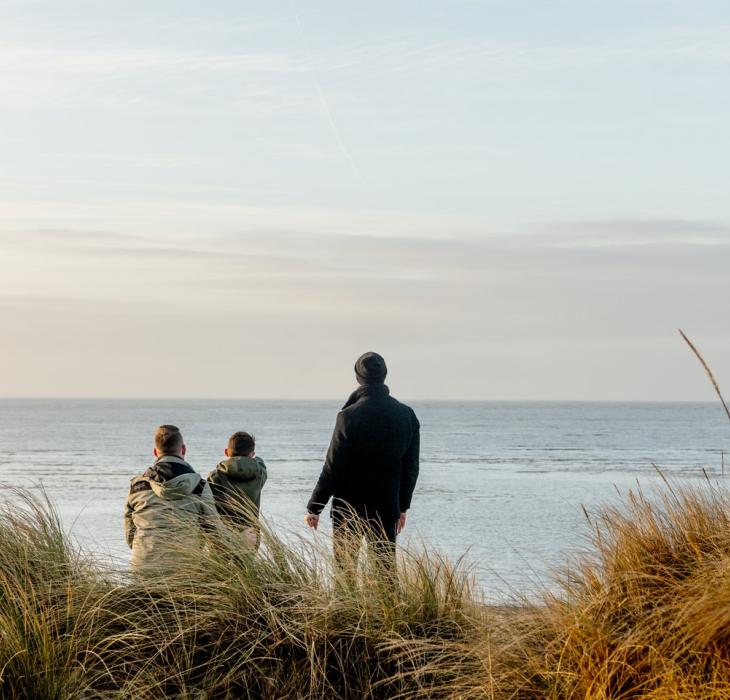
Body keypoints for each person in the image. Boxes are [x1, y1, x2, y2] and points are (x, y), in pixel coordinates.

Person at [304, 352, 420, 570]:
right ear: (384, 375)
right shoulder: (406, 415)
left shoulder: (348, 416)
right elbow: (411, 468)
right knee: (385, 574)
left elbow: (333, 466)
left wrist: (314, 507)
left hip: (348, 506)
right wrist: (402, 506)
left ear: (359, 377)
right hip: (386, 504)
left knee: (345, 574)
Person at [124, 424, 219, 574]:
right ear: (184, 449)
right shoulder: (199, 486)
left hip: (143, 567)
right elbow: (215, 533)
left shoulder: (137, 486)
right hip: (185, 568)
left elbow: (130, 535)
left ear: (155, 452)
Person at [207, 431, 267, 549]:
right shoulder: (260, 473)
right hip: (251, 532)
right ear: (252, 454)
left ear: (226, 452)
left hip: (223, 532)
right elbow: (260, 462)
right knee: (245, 567)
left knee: (219, 567)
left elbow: (206, 503)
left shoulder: (215, 476)